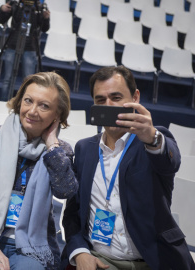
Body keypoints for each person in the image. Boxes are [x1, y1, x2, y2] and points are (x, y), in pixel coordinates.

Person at [61, 66, 195, 269]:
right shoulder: (84, 149)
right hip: (101, 260)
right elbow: (72, 213)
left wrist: (151, 138)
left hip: (154, 260)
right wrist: (80, 252)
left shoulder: (154, 139)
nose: (109, 105)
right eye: (100, 100)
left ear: (135, 97)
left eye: (116, 97)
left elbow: (170, 162)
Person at [0, 72, 78, 270]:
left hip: (31, 247)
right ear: (19, 102)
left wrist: (51, 144)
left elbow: (66, 190)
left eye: (44, 106)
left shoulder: (59, 151)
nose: (32, 111)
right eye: (28, 101)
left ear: (58, 114)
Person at [0, 0, 50, 101]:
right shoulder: (15, 4)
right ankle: (4, 103)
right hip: (13, 44)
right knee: (7, 78)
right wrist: (3, 10)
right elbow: (1, 20)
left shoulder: (39, 8)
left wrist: (46, 18)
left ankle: (25, 105)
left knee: (28, 80)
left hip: (30, 46)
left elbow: (44, 28)